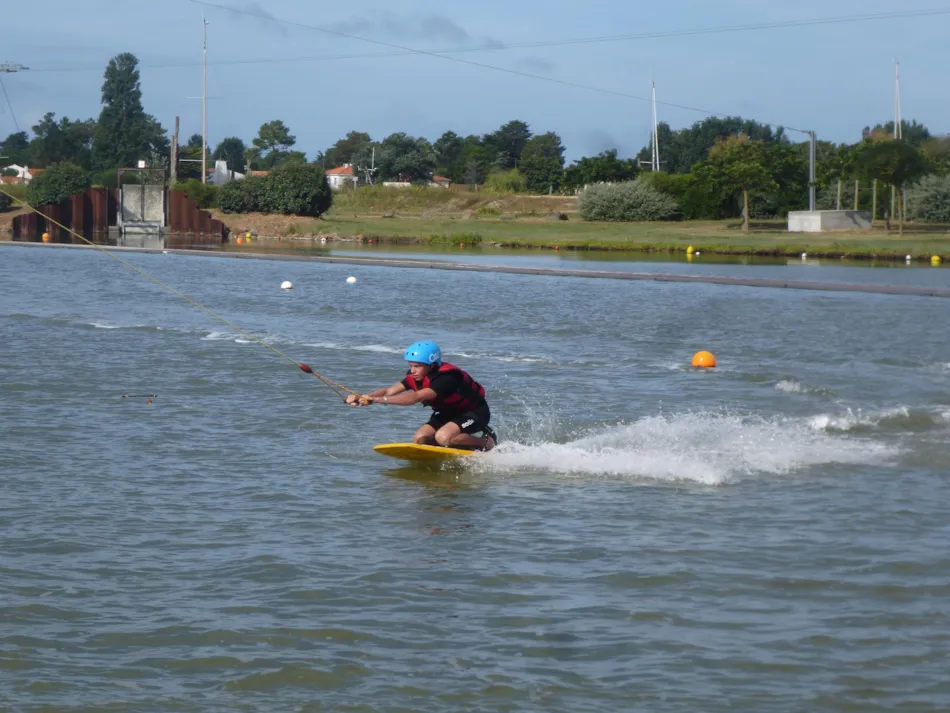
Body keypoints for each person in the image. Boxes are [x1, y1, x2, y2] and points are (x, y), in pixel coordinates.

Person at [346, 340, 497, 451]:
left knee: (442, 437)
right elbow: (388, 391)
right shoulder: (415, 377)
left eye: (417, 366)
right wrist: (363, 397)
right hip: (449, 414)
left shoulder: (447, 378)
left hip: (474, 413)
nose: (412, 371)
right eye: (410, 366)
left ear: (431, 365)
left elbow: (415, 398)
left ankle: (486, 442)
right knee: (420, 439)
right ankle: (459, 447)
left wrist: (378, 400)